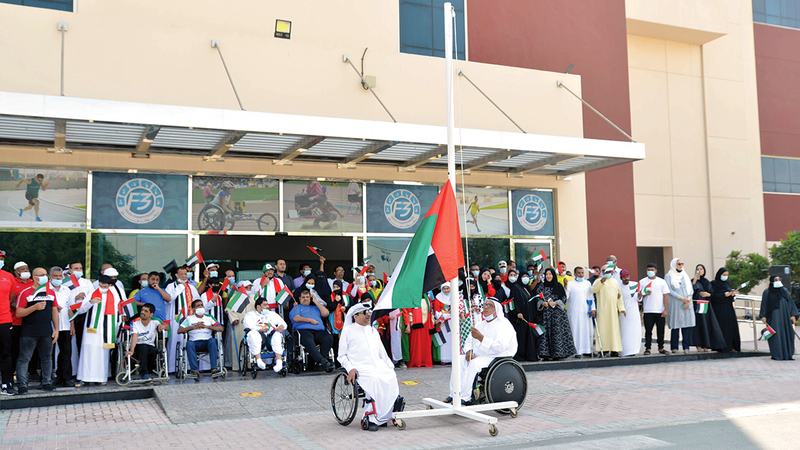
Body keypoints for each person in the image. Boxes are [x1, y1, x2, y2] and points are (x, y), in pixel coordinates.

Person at [338, 303, 401, 431]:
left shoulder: (373, 330)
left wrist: (390, 367)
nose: (368, 315)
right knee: (374, 379)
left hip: (377, 365)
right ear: (355, 316)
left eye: (369, 312)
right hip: (360, 367)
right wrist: (350, 369)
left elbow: (382, 353)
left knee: (390, 376)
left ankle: (386, 415)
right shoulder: (348, 331)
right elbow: (342, 355)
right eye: (365, 312)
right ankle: (371, 417)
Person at [448, 299, 516, 404]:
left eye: (490, 305)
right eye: (484, 305)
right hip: (479, 355)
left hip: (497, 356)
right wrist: (468, 351)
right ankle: (453, 394)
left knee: (474, 364)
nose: (486, 307)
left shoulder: (504, 325)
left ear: (496, 309)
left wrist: (481, 338)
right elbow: (469, 341)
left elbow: (500, 347)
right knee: (459, 360)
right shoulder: (480, 324)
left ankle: (466, 397)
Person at [15, 267, 59, 394]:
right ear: (34, 277)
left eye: (46, 274)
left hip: (46, 331)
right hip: (29, 332)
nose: (45, 277)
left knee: (47, 358)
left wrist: (56, 329)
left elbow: (54, 310)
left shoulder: (51, 292)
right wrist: (34, 307)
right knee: (24, 358)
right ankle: (22, 385)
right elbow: (18, 312)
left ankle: (47, 382)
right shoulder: (26, 292)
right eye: (42, 275)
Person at [76, 274, 122, 386]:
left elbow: (120, 312)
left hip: (107, 329)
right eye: (101, 284)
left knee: (103, 353)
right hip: (91, 330)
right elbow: (80, 310)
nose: (102, 287)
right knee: (88, 352)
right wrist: (90, 302)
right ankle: (84, 378)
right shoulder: (92, 293)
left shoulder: (115, 295)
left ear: (110, 285)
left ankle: (101, 377)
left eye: (105, 285)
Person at [534, 268, 576, 360]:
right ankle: (545, 354)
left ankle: (558, 353)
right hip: (545, 315)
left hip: (558, 315)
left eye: (550, 274)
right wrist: (542, 303)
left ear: (553, 275)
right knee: (545, 333)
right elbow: (537, 298)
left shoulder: (558, 286)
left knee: (557, 333)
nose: (549, 276)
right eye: (547, 274)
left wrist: (556, 303)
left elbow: (564, 299)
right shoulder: (541, 286)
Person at [165, 266, 200, 373]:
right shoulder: (171, 286)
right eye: (181, 274)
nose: (184, 276)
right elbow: (169, 299)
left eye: (185, 274)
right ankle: (172, 367)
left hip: (189, 318)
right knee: (174, 341)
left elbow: (197, 302)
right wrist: (180, 287)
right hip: (175, 318)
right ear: (176, 275)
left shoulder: (192, 287)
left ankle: (189, 367)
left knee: (188, 342)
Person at [178, 299, 224, 378]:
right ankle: (195, 370)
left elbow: (221, 328)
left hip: (207, 342)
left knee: (213, 341)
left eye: (201, 305)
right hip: (194, 342)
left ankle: (214, 369)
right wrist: (193, 327)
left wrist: (207, 326)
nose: (200, 307)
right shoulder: (189, 319)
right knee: (189, 343)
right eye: (198, 306)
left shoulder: (209, 317)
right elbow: (180, 330)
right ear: (194, 309)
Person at [290, 290, 334, 372]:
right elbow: (296, 318)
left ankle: (320, 362)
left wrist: (316, 301)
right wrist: (310, 320)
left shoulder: (315, 307)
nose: (305, 299)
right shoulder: (296, 307)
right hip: (303, 330)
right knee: (308, 339)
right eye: (303, 297)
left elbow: (326, 313)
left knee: (328, 338)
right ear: (299, 298)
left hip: (319, 331)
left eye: (307, 297)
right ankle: (321, 361)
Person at [759, 275, 799, 361]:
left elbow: (791, 303)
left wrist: (793, 315)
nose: (778, 281)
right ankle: (778, 354)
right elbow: (764, 304)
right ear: (771, 281)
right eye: (775, 279)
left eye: (779, 279)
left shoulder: (784, 291)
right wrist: (763, 315)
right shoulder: (767, 292)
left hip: (785, 317)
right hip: (773, 318)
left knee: (788, 334)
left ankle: (788, 354)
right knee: (775, 335)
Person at [63, 261, 93, 372]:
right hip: (69, 316)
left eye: (80, 268)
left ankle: (82, 371)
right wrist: (75, 298)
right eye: (76, 268)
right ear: (70, 270)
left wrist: (83, 299)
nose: (79, 270)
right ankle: (70, 371)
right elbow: (64, 299)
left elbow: (92, 297)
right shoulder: (65, 283)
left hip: (83, 315)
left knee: (82, 342)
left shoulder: (87, 282)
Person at [244, 297, 287, 372]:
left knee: (277, 334)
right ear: (258, 306)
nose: (268, 307)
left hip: (270, 336)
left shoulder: (272, 314)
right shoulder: (250, 315)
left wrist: (281, 326)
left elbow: (283, 323)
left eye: (267, 305)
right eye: (265, 305)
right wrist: (259, 329)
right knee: (253, 334)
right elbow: (247, 325)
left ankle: (279, 362)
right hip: (259, 335)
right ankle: (259, 360)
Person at [127, 303, 168, 381]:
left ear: (151, 314)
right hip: (137, 345)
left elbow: (167, 327)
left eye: (146, 311)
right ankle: (144, 373)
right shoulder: (134, 323)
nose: (142, 312)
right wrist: (131, 350)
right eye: (142, 310)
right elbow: (134, 336)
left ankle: (148, 372)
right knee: (144, 348)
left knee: (154, 350)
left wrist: (162, 326)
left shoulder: (155, 322)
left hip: (149, 345)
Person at [49, 267, 75, 387]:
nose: (58, 278)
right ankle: (49, 378)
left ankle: (65, 377)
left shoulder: (67, 290)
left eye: (60, 276)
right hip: (50, 327)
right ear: (50, 277)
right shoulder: (46, 290)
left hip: (65, 325)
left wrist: (72, 325)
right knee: (48, 354)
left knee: (66, 353)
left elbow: (71, 308)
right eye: (55, 276)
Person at [592, 266, 625, 356]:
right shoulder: (598, 281)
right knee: (603, 331)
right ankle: (603, 351)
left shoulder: (615, 282)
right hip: (602, 311)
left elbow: (619, 296)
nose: (607, 272)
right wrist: (601, 282)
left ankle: (615, 351)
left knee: (614, 331)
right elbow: (593, 290)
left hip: (613, 311)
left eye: (609, 271)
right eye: (604, 271)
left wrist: (621, 308)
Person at [505, 269, 537, 361]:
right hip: (519, 317)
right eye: (523, 277)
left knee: (529, 336)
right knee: (521, 336)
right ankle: (519, 355)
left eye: (527, 276)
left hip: (528, 316)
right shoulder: (516, 287)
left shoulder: (527, 288)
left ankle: (529, 355)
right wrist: (517, 312)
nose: (525, 278)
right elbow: (513, 302)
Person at [691, 264, 724, 352]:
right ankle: (698, 345)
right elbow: (690, 292)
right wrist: (694, 281)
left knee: (706, 325)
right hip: (696, 306)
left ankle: (706, 345)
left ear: (704, 271)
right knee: (698, 325)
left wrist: (708, 294)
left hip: (706, 306)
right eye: (697, 269)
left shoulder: (707, 282)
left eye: (701, 269)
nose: (699, 270)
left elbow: (712, 294)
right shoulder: (692, 281)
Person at [665, 258, 695, 354]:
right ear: (674, 265)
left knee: (686, 326)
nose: (680, 265)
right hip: (676, 304)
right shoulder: (669, 276)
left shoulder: (685, 275)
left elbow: (690, 289)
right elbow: (669, 290)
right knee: (676, 326)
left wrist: (688, 300)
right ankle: (674, 347)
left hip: (687, 304)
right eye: (678, 264)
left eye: (682, 263)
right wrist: (682, 298)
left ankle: (686, 347)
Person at [639, 263, 670, 355]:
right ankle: (648, 348)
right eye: (648, 270)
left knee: (660, 331)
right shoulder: (642, 282)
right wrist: (644, 294)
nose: (650, 272)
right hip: (648, 310)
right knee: (648, 331)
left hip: (660, 310)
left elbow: (666, 296)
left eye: (652, 270)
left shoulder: (662, 282)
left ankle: (661, 347)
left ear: (656, 271)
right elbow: (638, 296)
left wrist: (665, 310)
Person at [709, 268, 742, 353]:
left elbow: (730, 294)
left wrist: (732, 294)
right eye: (724, 275)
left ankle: (732, 346)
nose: (725, 277)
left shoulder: (727, 284)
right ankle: (722, 347)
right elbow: (713, 296)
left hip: (728, 308)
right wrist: (723, 295)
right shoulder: (714, 284)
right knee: (722, 327)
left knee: (731, 327)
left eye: (727, 275)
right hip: (719, 309)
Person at [9, 261, 33, 376]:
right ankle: (12, 372)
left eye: (27, 269)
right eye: (22, 269)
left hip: (31, 322)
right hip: (16, 321)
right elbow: (11, 301)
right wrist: (22, 309)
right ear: (16, 272)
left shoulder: (33, 283)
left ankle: (32, 372)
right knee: (15, 348)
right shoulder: (12, 282)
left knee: (31, 349)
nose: (25, 271)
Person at [225, 280, 255, 371]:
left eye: (250, 288)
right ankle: (238, 366)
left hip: (251, 324)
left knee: (252, 343)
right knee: (238, 344)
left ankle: (251, 364)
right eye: (246, 288)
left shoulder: (254, 297)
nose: (249, 289)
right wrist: (234, 318)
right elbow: (228, 309)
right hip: (239, 324)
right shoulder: (235, 297)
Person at [566, 266, 594, 357]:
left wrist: (593, 308)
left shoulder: (587, 283)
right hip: (574, 312)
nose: (581, 275)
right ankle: (577, 351)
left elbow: (591, 297)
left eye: (582, 273)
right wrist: (565, 287)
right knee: (575, 331)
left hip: (586, 311)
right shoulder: (570, 284)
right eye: (579, 273)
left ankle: (587, 350)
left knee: (587, 330)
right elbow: (566, 297)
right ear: (574, 274)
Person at [402, 292, 434, 368]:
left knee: (425, 343)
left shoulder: (427, 295)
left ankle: (426, 361)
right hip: (415, 322)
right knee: (415, 343)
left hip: (426, 323)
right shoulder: (410, 295)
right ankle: (415, 362)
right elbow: (406, 309)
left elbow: (430, 308)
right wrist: (409, 323)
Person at [0, 250, 15, 394]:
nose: (0, 260)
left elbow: (11, 298)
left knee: (5, 353)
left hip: (4, 319)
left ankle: (6, 383)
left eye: (1, 258)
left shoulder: (8, 276)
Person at [619, 270, 643, 357]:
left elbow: (638, 298)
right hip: (624, 312)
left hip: (634, 312)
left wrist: (640, 296)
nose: (626, 278)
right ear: (621, 278)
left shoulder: (634, 284)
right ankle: (625, 351)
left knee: (634, 330)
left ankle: (634, 349)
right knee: (625, 331)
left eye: (627, 276)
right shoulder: (618, 286)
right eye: (624, 277)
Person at [433, 283, 454, 364]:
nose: (446, 290)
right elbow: (437, 310)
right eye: (444, 288)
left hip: (452, 321)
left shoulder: (453, 296)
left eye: (447, 288)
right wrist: (443, 317)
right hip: (442, 322)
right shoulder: (438, 297)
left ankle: (452, 358)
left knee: (451, 339)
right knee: (444, 339)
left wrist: (450, 315)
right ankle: (444, 359)